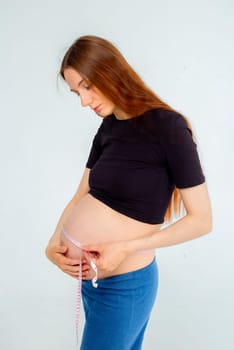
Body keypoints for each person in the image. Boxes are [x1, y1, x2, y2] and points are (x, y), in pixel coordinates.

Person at [45, 35, 212, 350]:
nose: (83, 100)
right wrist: (53, 243)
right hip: (93, 285)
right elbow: (81, 193)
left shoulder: (169, 128)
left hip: (125, 287)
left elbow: (202, 220)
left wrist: (126, 247)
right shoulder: (108, 128)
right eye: (76, 92)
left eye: (87, 85)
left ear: (111, 71)